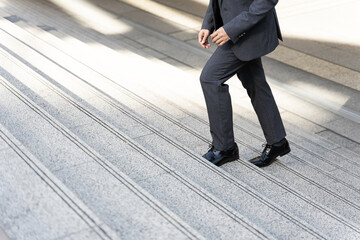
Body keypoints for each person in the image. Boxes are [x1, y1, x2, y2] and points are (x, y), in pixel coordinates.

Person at [199, 0, 290, 167]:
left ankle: (225, 148)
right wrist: (208, 23)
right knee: (255, 83)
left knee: (210, 79)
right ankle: (277, 142)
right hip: (236, 30)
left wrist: (231, 29)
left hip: (248, 30)